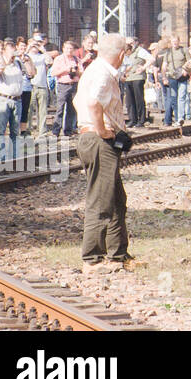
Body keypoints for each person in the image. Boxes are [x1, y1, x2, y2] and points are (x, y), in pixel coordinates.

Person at [74, 32, 132, 274]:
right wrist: (103, 130)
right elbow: (92, 103)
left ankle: (118, 253)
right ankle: (92, 257)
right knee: (101, 200)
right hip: (98, 141)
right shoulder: (103, 74)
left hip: (92, 138)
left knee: (117, 199)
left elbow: (78, 100)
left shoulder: (93, 70)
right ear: (121, 54)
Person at [0, 40, 33, 162]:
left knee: (15, 130)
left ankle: (15, 156)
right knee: (1, 130)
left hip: (17, 100)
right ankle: (0, 157)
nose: (13, 54)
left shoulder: (18, 63)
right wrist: (4, 59)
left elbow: (31, 73)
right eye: (10, 51)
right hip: (4, 99)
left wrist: (27, 60)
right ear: (4, 51)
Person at [51, 40, 84, 137]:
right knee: (60, 108)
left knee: (71, 109)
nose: (69, 50)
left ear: (74, 50)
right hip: (63, 85)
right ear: (63, 49)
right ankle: (56, 131)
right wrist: (65, 70)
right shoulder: (58, 59)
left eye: (71, 48)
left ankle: (68, 131)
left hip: (74, 85)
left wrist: (76, 71)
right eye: (67, 48)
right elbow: (53, 73)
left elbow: (82, 73)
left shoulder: (77, 60)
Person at [27, 37, 55, 138]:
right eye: (33, 44)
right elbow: (21, 58)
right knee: (29, 111)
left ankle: (42, 132)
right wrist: (28, 47)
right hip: (30, 86)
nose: (35, 46)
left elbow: (50, 61)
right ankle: (28, 131)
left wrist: (43, 50)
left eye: (37, 44)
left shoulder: (42, 56)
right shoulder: (27, 55)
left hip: (42, 85)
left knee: (42, 111)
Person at [121, 37, 152, 128]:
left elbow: (151, 59)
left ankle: (141, 120)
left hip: (138, 77)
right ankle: (132, 119)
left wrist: (143, 67)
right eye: (128, 43)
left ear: (135, 42)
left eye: (131, 43)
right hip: (128, 78)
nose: (130, 45)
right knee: (129, 100)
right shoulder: (126, 52)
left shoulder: (140, 51)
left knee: (139, 99)